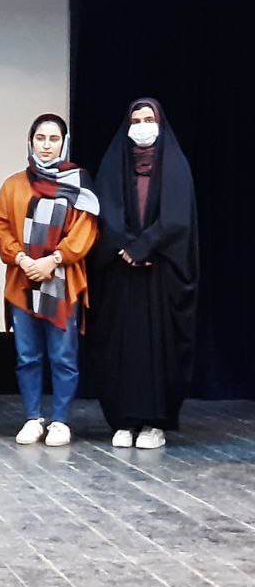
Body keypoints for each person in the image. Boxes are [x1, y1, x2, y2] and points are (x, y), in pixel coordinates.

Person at [88, 98, 198, 450]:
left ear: (160, 124)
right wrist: (125, 246)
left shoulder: (175, 165)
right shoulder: (114, 164)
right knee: (120, 345)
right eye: (135, 120)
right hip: (120, 275)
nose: (141, 126)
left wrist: (144, 248)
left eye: (148, 119)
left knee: (159, 349)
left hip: (160, 274)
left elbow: (177, 218)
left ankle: (154, 423)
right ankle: (123, 420)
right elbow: (105, 210)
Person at [0, 114, 99, 447]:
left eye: (54, 139)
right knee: (27, 356)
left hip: (62, 282)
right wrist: (23, 259)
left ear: (64, 143)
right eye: (40, 138)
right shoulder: (13, 184)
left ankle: (61, 421)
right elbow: (1, 228)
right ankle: (32, 418)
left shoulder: (79, 183)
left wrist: (53, 260)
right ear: (30, 142)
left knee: (63, 356)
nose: (46, 145)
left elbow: (86, 230)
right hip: (22, 279)